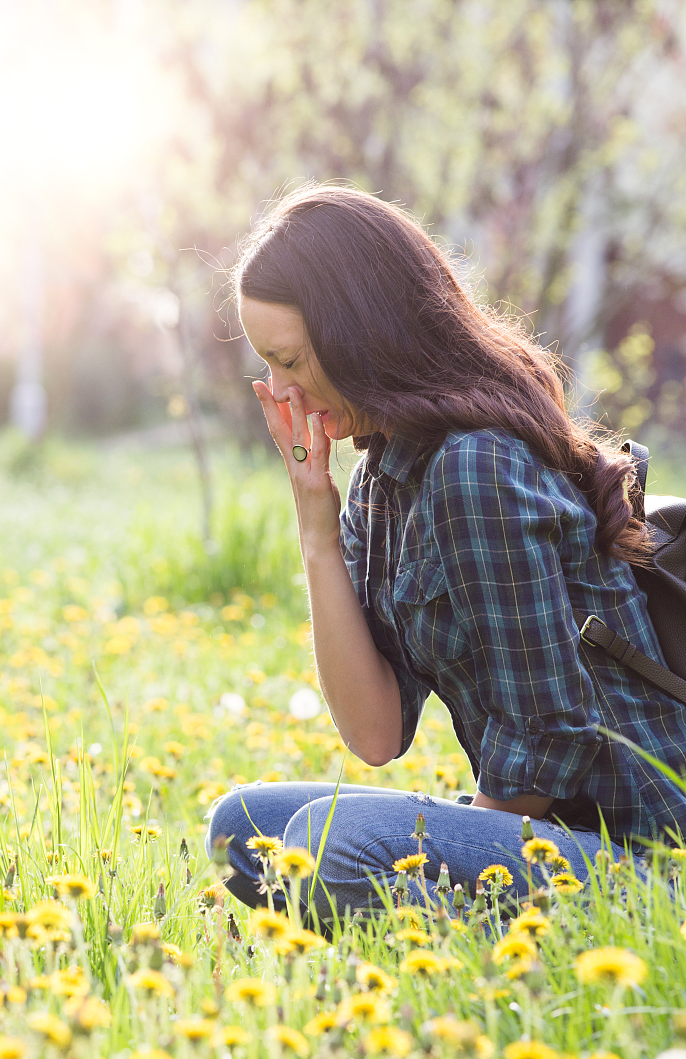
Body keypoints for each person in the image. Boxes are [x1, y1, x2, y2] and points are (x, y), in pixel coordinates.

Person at [205, 183, 686, 926]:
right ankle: (469, 933)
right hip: (558, 839)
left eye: (290, 359)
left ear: (358, 333)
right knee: (243, 828)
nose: (279, 390)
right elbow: (374, 733)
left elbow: (548, 737)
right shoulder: (381, 476)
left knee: (329, 848)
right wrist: (315, 521)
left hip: (650, 858)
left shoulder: (475, 467)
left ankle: (505, 960)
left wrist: (452, 837)